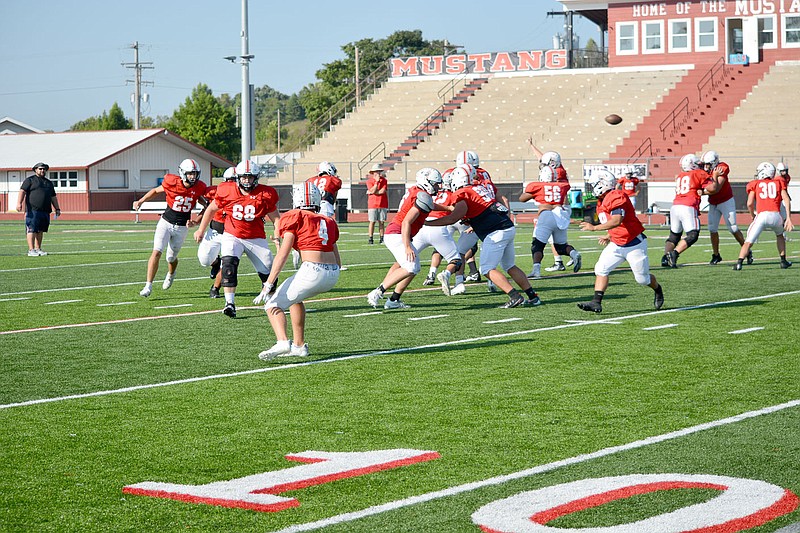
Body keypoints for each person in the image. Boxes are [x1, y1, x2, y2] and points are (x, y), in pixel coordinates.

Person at [426, 165, 542, 308]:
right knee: (509, 265)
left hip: (496, 232)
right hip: (506, 226)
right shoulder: (479, 187)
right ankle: (533, 296)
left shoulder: (462, 193)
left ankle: (515, 296)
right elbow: (482, 209)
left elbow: (452, 218)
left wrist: (427, 223)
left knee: (486, 268)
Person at [258, 182, 341, 360]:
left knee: (272, 305)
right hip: (333, 273)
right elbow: (336, 257)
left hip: (313, 270)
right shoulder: (327, 220)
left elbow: (283, 254)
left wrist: (268, 284)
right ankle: (299, 345)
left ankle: (282, 342)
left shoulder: (295, 216)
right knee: (295, 299)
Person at [193, 160, 280, 318]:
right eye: (244, 177)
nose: (246, 180)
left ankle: (271, 299)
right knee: (228, 265)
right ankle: (230, 303)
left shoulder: (266, 193)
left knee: (268, 272)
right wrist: (200, 229)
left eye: (250, 177)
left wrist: (278, 233)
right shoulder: (227, 190)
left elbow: (276, 218)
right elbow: (211, 209)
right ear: (238, 177)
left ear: (256, 177)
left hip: (256, 238)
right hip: (233, 235)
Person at [577, 169, 664, 313]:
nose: (592, 188)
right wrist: (609, 235)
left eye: (594, 185)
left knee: (642, 279)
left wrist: (594, 228)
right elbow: (615, 224)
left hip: (633, 243)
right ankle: (596, 302)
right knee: (601, 269)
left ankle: (657, 288)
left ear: (602, 184)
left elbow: (617, 220)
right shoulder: (602, 200)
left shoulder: (616, 195)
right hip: (616, 243)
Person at [366, 168, 443, 310]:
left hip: (398, 232)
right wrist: (407, 246)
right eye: (435, 184)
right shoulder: (422, 195)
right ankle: (378, 291)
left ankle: (394, 300)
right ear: (426, 182)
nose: (438, 187)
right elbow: (407, 222)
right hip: (397, 232)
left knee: (413, 268)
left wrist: (448, 209)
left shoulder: (417, 192)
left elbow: (429, 206)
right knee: (410, 267)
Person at [134, 158, 208, 297]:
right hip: (166, 222)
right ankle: (148, 285)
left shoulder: (199, 187)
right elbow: (156, 191)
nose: (193, 176)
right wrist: (141, 200)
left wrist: (196, 221)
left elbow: (207, 206)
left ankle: (171, 273)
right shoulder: (172, 182)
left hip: (181, 227)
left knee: (171, 258)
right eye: (190, 173)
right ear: (182, 173)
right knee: (156, 252)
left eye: (195, 173)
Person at [519, 165, 581, 279]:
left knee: (537, 245)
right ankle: (574, 254)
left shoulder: (537, 186)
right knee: (561, 247)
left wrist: (534, 194)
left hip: (546, 215)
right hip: (560, 214)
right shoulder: (562, 186)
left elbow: (522, 199)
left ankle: (536, 270)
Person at [527, 138, 580, 272]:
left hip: (554, 208)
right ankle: (561, 260)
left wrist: (534, 192)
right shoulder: (557, 168)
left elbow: (525, 197)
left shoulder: (555, 173)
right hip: (561, 209)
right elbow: (543, 158)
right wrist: (532, 146)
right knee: (556, 240)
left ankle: (540, 268)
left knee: (538, 242)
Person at [733, 162, 793, 270]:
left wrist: (752, 215)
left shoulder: (755, 183)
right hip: (776, 216)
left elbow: (749, 203)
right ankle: (783, 260)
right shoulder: (778, 182)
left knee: (748, 242)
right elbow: (786, 199)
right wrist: (788, 218)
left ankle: (739, 263)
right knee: (780, 235)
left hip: (762, 215)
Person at [699, 150, 748, 265]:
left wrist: (703, 191)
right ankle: (716, 255)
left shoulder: (722, 167)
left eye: (708, 164)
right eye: (705, 164)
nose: (706, 167)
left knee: (733, 228)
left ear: (715, 162)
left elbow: (716, 188)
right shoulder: (705, 170)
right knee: (712, 229)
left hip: (726, 201)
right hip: (713, 202)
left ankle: (747, 251)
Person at [197, 166, 237, 298]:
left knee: (228, 263)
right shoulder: (214, 191)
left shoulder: (246, 195)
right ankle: (215, 262)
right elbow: (203, 203)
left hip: (232, 234)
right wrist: (198, 223)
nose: (232, 184)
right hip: (214, 231)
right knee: (204, 260)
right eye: (230, 180)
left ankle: (215, 288)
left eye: (235, 180)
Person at [662, 153, 707, 268]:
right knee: (693, 235)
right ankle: (674, 254)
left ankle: (665, 258)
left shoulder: (680, 176)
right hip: (688, 206)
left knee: (674, 236)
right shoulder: (698, 173)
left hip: (675, 206)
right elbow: (713, 187)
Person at [18, 162, 60, 257]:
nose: (42, 170)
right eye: (40, 168)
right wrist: (19, 203)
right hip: (33, 210)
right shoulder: (30, 180)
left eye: (44, 169)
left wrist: (57, 208)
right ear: (35, 169)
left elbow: (53, 196)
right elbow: (22, 191)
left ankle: (38, 248)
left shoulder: (48, 183)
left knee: (40, 230)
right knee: (31, 229)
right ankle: (31, 250)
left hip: (45, 210)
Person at [365, 163, 389, 244]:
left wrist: (373, 192)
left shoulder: (384, 180)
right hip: (372, 204)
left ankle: (382, 238)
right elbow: (372, 190)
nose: (378, 173)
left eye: (379, 172)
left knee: (381, 222)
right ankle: (370, 238)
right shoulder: (369, 181)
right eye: (376, 172)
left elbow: (382, 191)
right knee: (372, 221)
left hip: (382, 204)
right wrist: (376, 183)